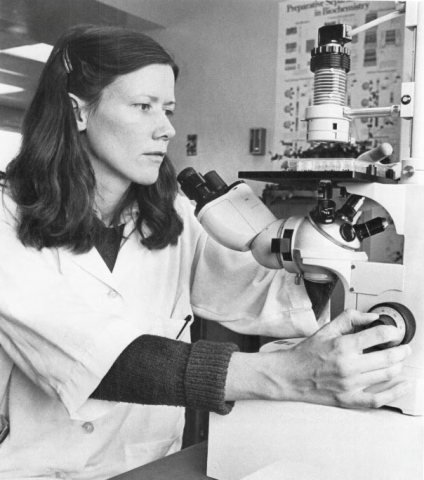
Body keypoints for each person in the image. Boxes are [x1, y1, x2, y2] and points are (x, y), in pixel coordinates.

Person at [0, 24, 411, 480]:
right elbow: (99, 360)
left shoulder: (172, 212)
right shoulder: (6, 217)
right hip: (36, 467)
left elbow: (260, 297)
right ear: (78, 112)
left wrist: (325, 241)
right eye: (143, 107)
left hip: (149, 462)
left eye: (169, 109)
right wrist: (288, 373)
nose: (167, 128)